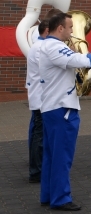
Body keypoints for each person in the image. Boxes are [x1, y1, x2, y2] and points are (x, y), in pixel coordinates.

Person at [39, 12, 91, 210]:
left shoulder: (50, 46)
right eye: (70, 27)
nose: (73, 31)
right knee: (62, 157)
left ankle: (49, 195)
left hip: (54, 107)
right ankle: (61, 198)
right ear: (60, 28)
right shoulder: (55, 46)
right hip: (62, 108)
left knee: (52, 155)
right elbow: (85, 62)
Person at [26, 21, 48, 183]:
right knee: (39, 136)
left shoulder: (39, 46)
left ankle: (37, 168)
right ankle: (36, 171)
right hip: (41, 98)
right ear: (47, 30)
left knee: (38, 134)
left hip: (40, 97)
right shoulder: (41, 48)